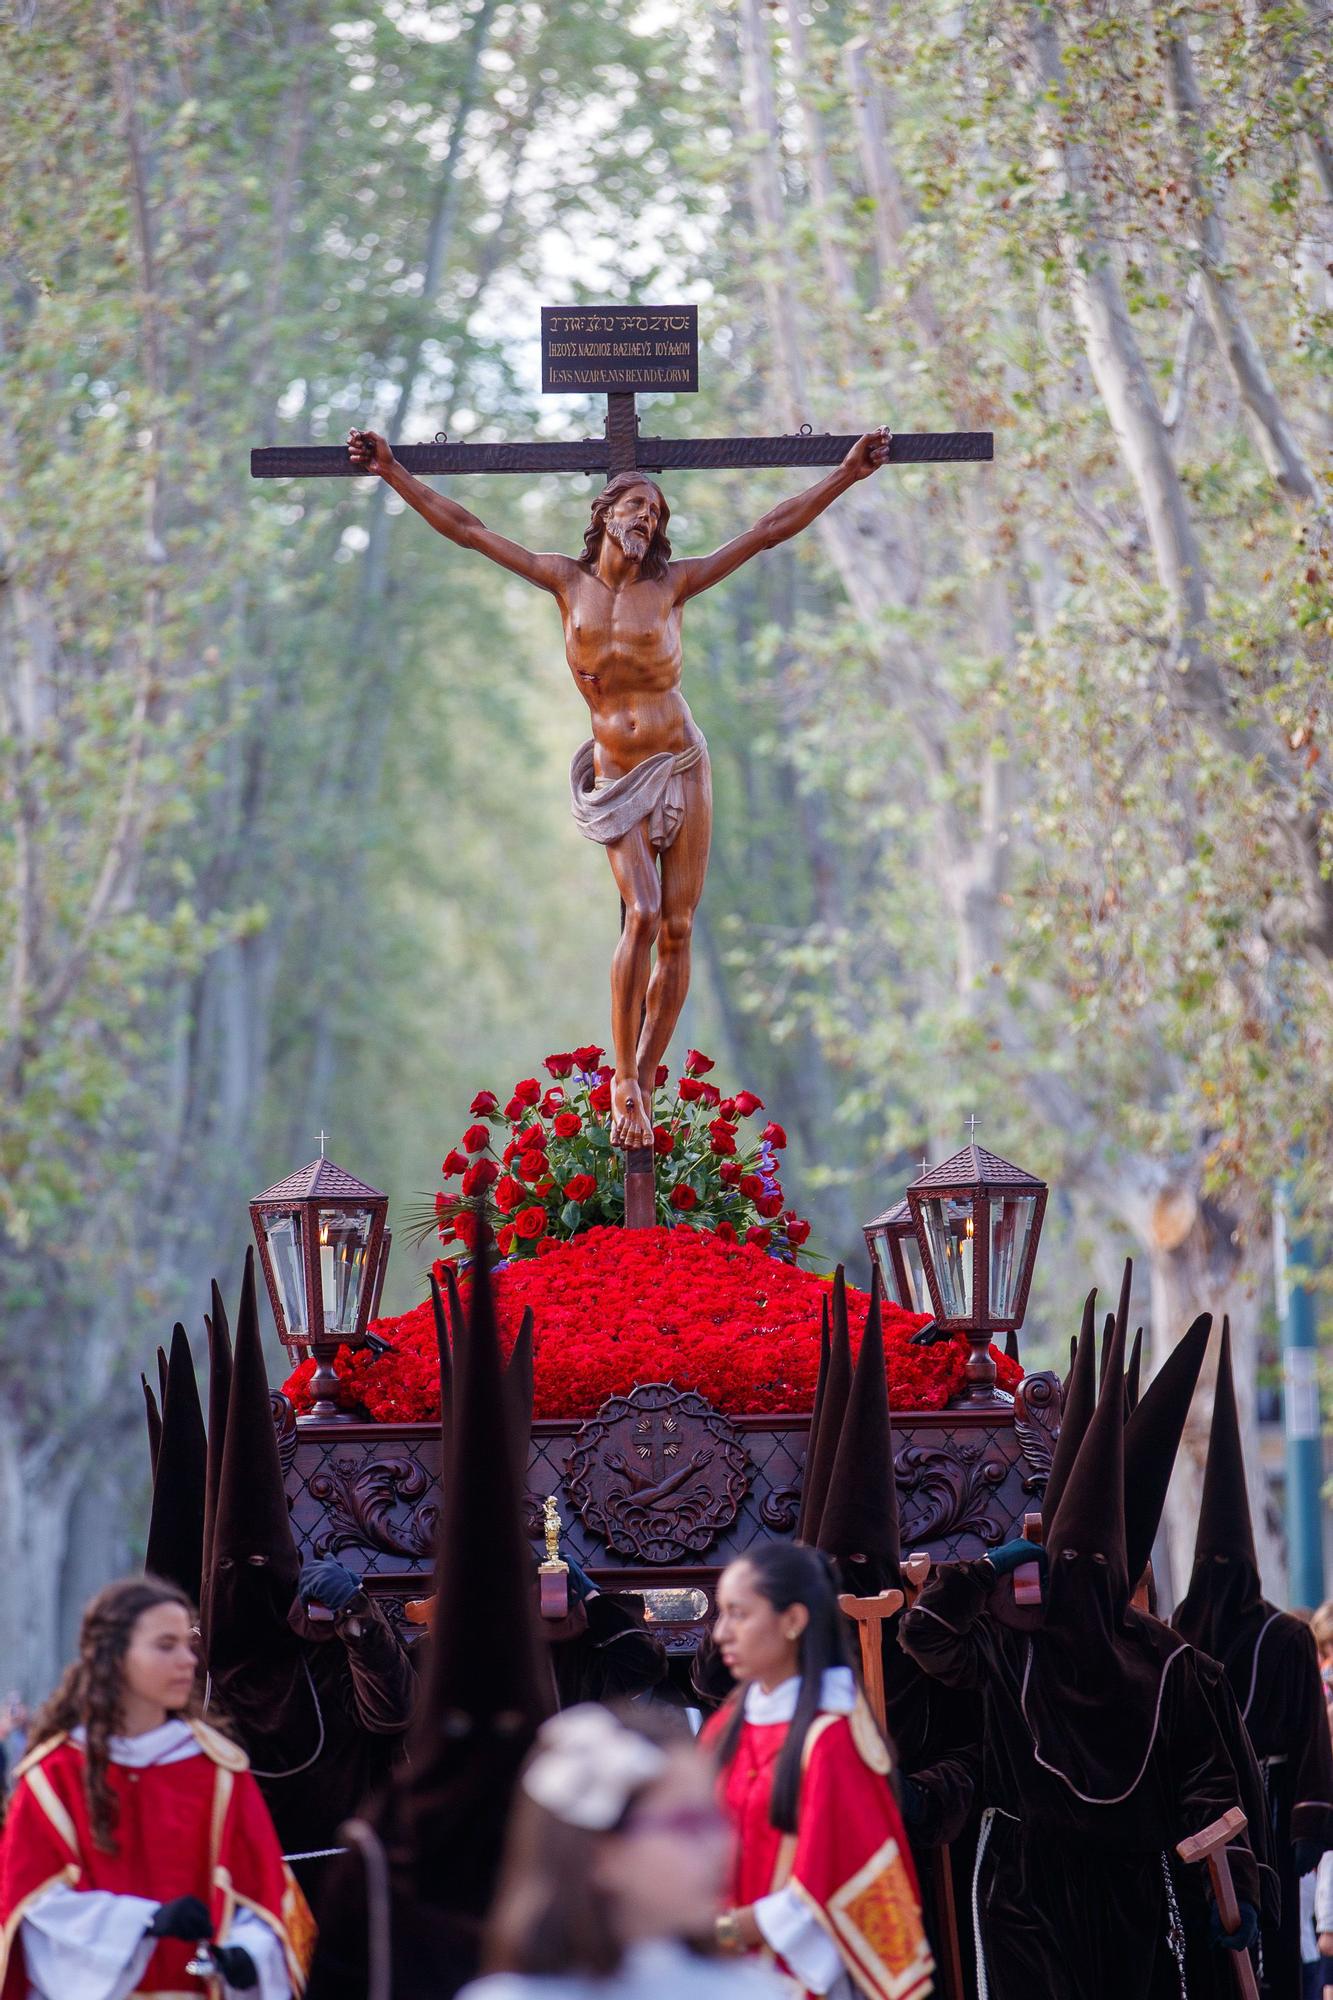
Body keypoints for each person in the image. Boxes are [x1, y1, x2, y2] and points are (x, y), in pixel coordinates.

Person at [345, 422, 892, 1149]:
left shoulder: (675, 584)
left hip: (680, 761)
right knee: (640, 912)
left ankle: (643, 1069)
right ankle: (623, 1081)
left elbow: (765, 530)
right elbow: (468, 530)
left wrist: (846, 475)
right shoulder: (562, 582)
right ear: (605, 512)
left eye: (658, 514)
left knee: (677, 925)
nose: (648, 520)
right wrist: (391, 472)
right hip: (615, 774)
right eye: (637, 506)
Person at [901, 1314, 1262, 2000]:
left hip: (1134, 1891)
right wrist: (982, 1572)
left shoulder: (1167, 1662)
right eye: (1069, 1564)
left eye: (1098, 1567)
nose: (1083, 1578)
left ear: (1123, 1573)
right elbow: (925, 1638)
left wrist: (1236, 1887)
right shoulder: (1013, 1643)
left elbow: (1210, 1785)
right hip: (1022, 1889)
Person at [201, 1253, 415, 1907]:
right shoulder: (189, 1672)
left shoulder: (321, 1654)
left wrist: (359, 1620)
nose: (248, 1583)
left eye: (261, 1568)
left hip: (343, 1896)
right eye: (232, 1572)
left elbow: (392, 1714)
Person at [0, 1575, 313, 2000]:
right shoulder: (53, 1775)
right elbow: (31, 1912)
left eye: (188, 1644)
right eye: (166, 1646)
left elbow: (267, 1901)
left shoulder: (218, 1770)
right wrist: (142, 1922)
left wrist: (246, 1955)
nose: (187, 1660)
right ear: (113, 1656)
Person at [1173, 1321, 1333, 2000]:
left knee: (1271, 1953)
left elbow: (1310, 1743)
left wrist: (1307, 1820)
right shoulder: (1175, 1636)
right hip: (1201, 1823)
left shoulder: (1286, 1638)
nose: (1216, 1580)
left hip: (1265, 1809)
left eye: (1223, 1567)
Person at [705, 1541, 934, 2000]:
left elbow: (833, 1883)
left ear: (793, 1620)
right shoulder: (726, 1724)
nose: (720, 1634)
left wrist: (720, 1934)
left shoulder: (831, 1739)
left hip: (795, 1977)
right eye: (720, 1614)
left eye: (739, 1614)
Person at [458, 1704, 785, 2000]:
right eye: (687, 1824)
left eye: (715, 1818)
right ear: (600, 1852)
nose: (724, 1844)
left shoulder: (753, 1990)